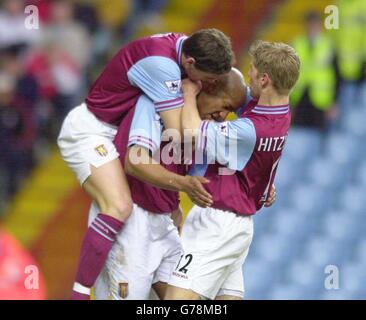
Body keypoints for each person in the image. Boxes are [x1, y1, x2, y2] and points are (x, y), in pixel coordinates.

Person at [57, 29, 234, 299]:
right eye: (207, 80)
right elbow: (177, 135)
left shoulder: (188, 47)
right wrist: (188, 92)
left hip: (113, 133)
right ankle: (79, 293)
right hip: (90, 130)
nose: (207, 86)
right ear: (191, 65)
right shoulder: (162, 66)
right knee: (119, 205)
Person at [91, 68, 273, 300]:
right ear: (206, 88)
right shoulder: (154, 104)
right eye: (225, 106)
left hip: (164, 225)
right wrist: (183, 184)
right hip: (130, 222)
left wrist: (262, 183)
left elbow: (222, 164)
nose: (223, 116)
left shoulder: (202, 127)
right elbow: (135, 162)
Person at [165, 40, 300, 300]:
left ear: (264, 79)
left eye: (252, 70)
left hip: (217, 220)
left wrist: (189, 94)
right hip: (239, 224)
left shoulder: (251, 130)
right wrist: (262, 185)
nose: (247, 73)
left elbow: (193, 132)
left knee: (175, 301)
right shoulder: (279, 111)